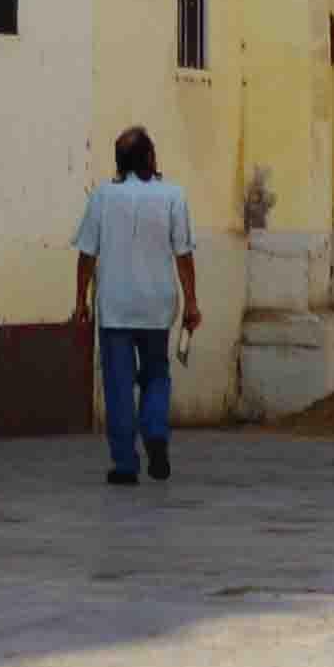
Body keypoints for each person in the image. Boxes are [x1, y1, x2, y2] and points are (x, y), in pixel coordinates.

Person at [73, 125, 199, 486]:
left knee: (118, 385)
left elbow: (86, 253)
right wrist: (191, 302)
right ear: (150, 158)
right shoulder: (173, 195)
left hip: (114, 306)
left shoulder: (101, 197)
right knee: (156, 375)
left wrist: (80, 299)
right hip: (157, 306)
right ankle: (156, 433)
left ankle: (125, 464)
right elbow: (184, 254)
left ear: (119, 162)